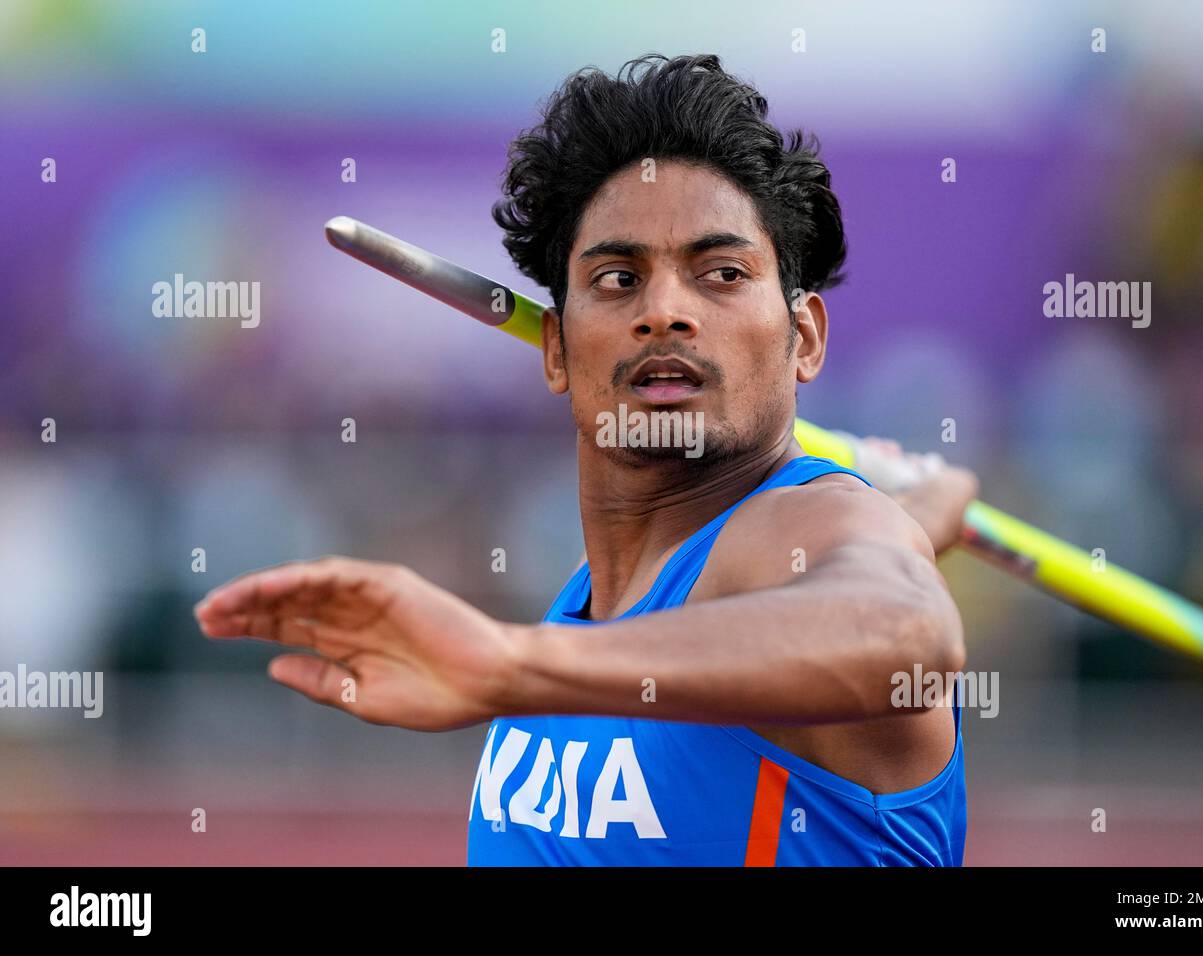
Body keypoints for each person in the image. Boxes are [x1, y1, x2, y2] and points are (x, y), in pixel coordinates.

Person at [195, 53, 979, 865]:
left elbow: (905, 629)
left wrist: (515, 664)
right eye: (616, 277)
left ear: (804, 338)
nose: (665, 312)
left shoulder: (804, 527)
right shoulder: (602, 602)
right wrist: (919, 514)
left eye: (721, 273)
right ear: (558, 350)